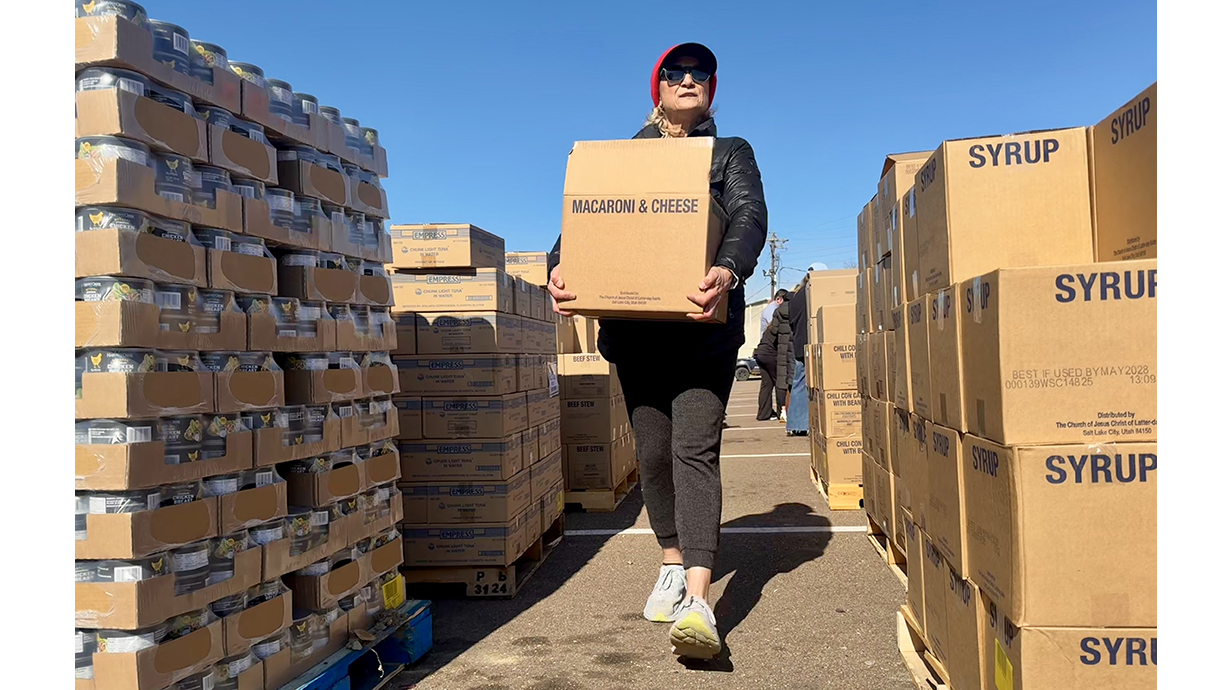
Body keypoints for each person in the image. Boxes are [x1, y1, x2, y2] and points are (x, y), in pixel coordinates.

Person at [546, 42, 767, 660]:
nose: (690, 79)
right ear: (658, 87)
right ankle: (670, 558)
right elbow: (576, 229)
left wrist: (728, 269)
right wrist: (558, 269)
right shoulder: (622, 159)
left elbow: (750, 217)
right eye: (677, 73)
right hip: (638, 335)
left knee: (694, 449)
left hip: (701, 331)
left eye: (702, 74)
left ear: (713, 89)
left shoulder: (730, 153)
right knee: (653, 451)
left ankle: (699, 596)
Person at [753, 293, 791, 421]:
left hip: (760, 352)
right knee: (780, 382)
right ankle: (783, 412)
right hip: (770, 354)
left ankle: (763, 414)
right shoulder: (778, 317)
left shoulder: (770, 326)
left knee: (766, 384)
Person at [785, 281, 810, 437]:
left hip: (798, 343)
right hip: (810, 342)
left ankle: (794, 424)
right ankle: (806, 423)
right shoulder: (810, 293)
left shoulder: (794, 298)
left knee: (798, 383)